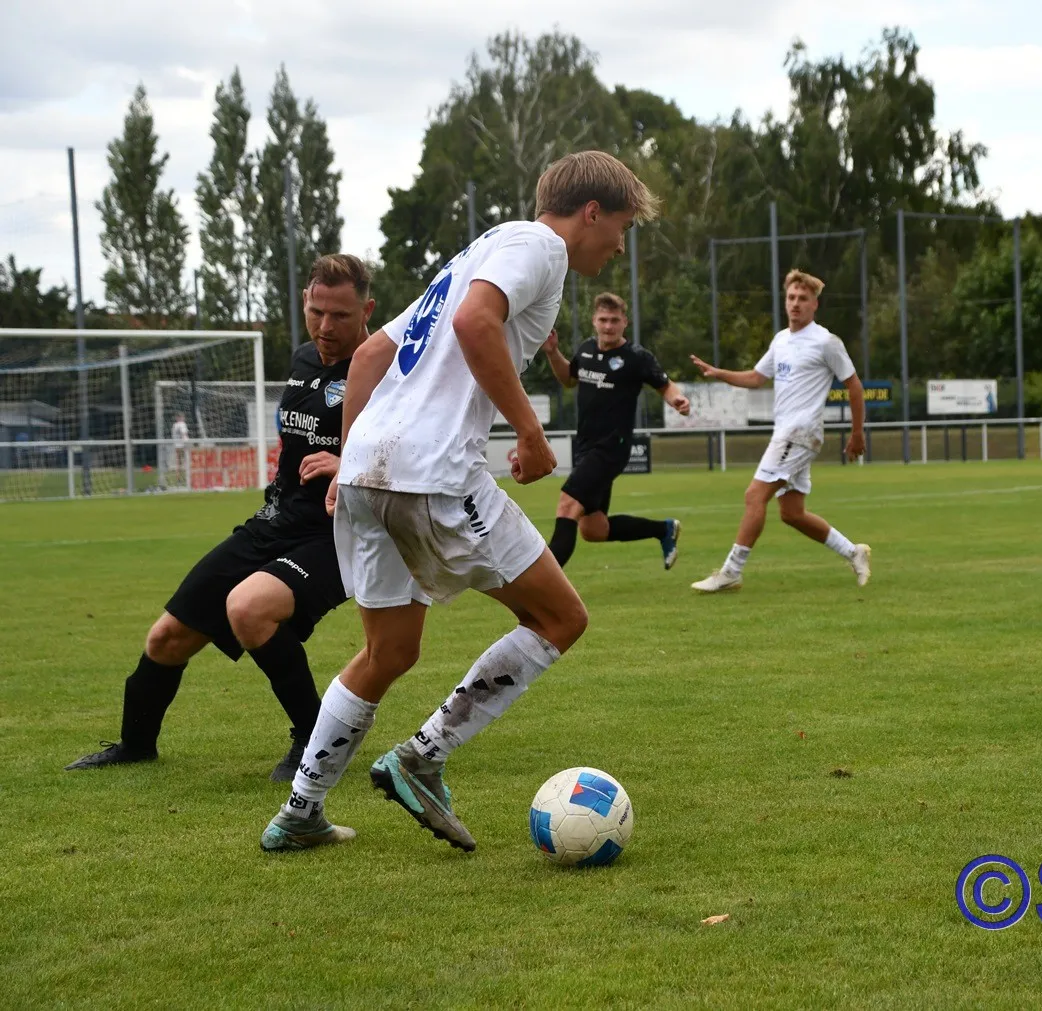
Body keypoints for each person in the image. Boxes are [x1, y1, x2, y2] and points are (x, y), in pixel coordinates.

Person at [259, 150, 658, 853]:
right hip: (433, 472)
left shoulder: (478, 252)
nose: (620, 246)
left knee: (387, 650)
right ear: (592, 212)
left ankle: (300, 811)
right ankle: (423, 755)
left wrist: (354, 458)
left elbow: (369, 357)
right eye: (622, 228)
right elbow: (477, 323)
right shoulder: (540, 247)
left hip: (370, 472)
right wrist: (530, 430)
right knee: (560, 616)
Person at [67, 254, 374, 779]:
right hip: (275, 521)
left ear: (366, 310)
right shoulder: (303, 360)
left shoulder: (385, 368)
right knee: (166, 638)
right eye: (316, 311)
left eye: (340, 316)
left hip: (338, 532)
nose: (325, 326)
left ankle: (316, 742)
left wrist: (351, 464)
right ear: (305, 301)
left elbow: (420, 448)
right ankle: (136, 746)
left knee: (249, 610)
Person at [687, 269, 871, 593]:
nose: (796, 303)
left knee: (754, 495)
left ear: (815, 304)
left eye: (803, 298)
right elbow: (756, 378)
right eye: (791, 297)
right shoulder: (781, 340)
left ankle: (731, 571)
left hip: (800, 433)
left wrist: (857, 433)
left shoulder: (826, 341)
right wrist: (719, 373)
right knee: (792, 513)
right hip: (786, 433)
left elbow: (854, 386)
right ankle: (853, 551)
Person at [541, 291, 690, 569]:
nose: (608, 326)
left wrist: (677, 399)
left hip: (612, 447)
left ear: (625, 322)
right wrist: (552, 353)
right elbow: (569, 380)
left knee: (567, 506)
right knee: (593, 529)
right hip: (586, 447)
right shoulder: (586, 349)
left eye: (614, 320)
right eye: (603, 320)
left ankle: (543, 583)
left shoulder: (636, 357)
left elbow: (665, 385)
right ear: (594, 321)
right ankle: (664, 529)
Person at [170, 412, 190, 488]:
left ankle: (178, 480)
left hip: (176, 445)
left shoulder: (174, 425)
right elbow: (184, 434)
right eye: (182, 417)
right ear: (180, 417)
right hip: (183, 445)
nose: (184, 418)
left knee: (178, 463)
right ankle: (187, 478)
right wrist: (188, 443)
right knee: (186, 461)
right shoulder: (182, 424)